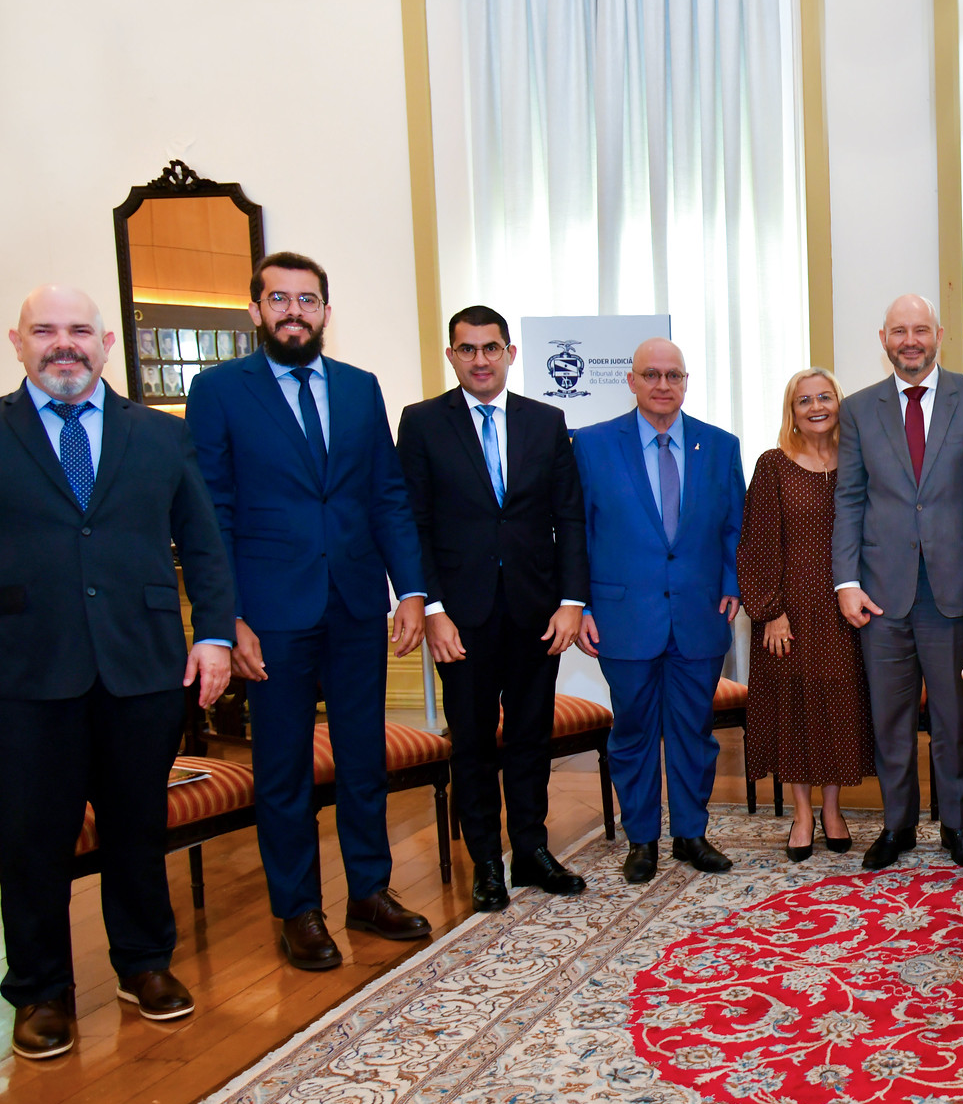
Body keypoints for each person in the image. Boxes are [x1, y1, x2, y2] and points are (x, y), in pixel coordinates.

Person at [0, 287, 233, 1059]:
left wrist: (215, 637)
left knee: (137, 823)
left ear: (104, 342)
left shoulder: (159, 437)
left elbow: (203, 543)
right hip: (27, 670)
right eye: (45, 332)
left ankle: (144, 964)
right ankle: (41, 992)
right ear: (17, 341)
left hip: (142, 663)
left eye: (78, 332)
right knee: (33, 838)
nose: (62, 345)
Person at [186, 253, 433, 970]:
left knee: (362, 760)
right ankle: (297, 909)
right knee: (285, 769)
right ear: (257, 310)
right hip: (271, 615)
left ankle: (369, 892)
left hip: (356, 604)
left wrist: (410, 590)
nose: (294, 311)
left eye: (309, 300)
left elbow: (386, 494)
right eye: (279, 299)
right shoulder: (219, 391)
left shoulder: (360, 390)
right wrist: (226, 619)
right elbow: (212, 514)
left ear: (326, 311)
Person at [396, 305, 590, 914]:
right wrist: (433, 608)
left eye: (491, 347)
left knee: (530, 737)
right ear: (451, 356)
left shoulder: (546, 420)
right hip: (462, 617)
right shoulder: (423, 423)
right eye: (467, 348)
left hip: (536, 612)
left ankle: (530, 849)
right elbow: (415, 525)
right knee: (474, 742)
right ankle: (486, 861)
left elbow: (569, 518)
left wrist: (570, 602)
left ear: (510, 353)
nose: (480, 359)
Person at [834, 295, 963, 872]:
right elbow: (850, 498)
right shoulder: (858, 409)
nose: (911, 340)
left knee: (957, 719)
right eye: (900, 331)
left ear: (940, 335)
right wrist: (846, 582)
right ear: (883, 337)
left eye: (921, 330)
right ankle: (897, 824)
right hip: (881, 592)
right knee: (891, 718)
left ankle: (957, 825)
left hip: (957, 589)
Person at [573, 339, 745, 884]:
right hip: (623, 618)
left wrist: (732, 583)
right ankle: (642, 839)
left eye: (673, 375)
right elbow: (576, 533)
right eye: (651, 374)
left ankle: (691, 834)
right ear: (631, 380)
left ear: (686, 381)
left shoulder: (719, 446)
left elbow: (735, 528)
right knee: (634, 732)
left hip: (700, 615)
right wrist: (579, 606)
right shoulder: (592, 445)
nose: (662, 384)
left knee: (695, 731)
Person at [738, 368, 873, 860]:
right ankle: (800, 813)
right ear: (791, 411)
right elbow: (756, 543)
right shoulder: (772, 465)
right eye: (804, 400)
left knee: (838, 704)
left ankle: (833, 810)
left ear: (839, 403)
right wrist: (770, 612)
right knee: (792, 706)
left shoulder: (857, 462)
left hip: (843, 607)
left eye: (825, 397)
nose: (816, 406)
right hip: (788, 610)